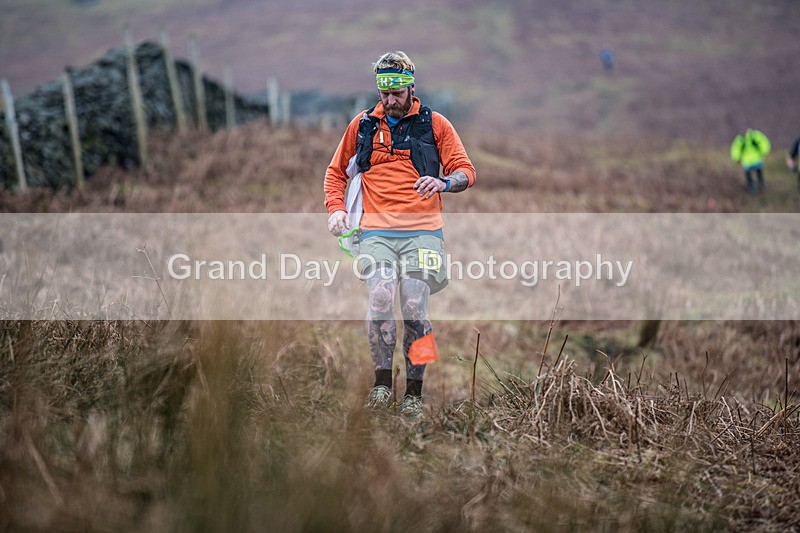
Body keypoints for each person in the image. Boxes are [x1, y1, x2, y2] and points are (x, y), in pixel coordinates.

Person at [324, 51, 476, 416]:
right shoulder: (362, 125)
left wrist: (442, 182)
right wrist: (337, 210)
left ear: (411, 87)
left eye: (397, 93)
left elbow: (466, 171)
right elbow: (335, 174)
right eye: (384, 94)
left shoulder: (436, 124)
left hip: (424, 232)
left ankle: (414, 392)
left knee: (413, 306)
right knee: (380, 297)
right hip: (375, 232)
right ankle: (381, 386)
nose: (390, 101)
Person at [730, 127, 771, 194]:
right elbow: (736, 149)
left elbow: (763, 142)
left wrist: (765, 150)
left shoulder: (753, 136)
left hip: (754, 160)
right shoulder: (741, 139)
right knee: (750, 175)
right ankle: (753, 188)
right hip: (749, 161)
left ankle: (760, 185)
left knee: (757, 173)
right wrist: (736, 158)